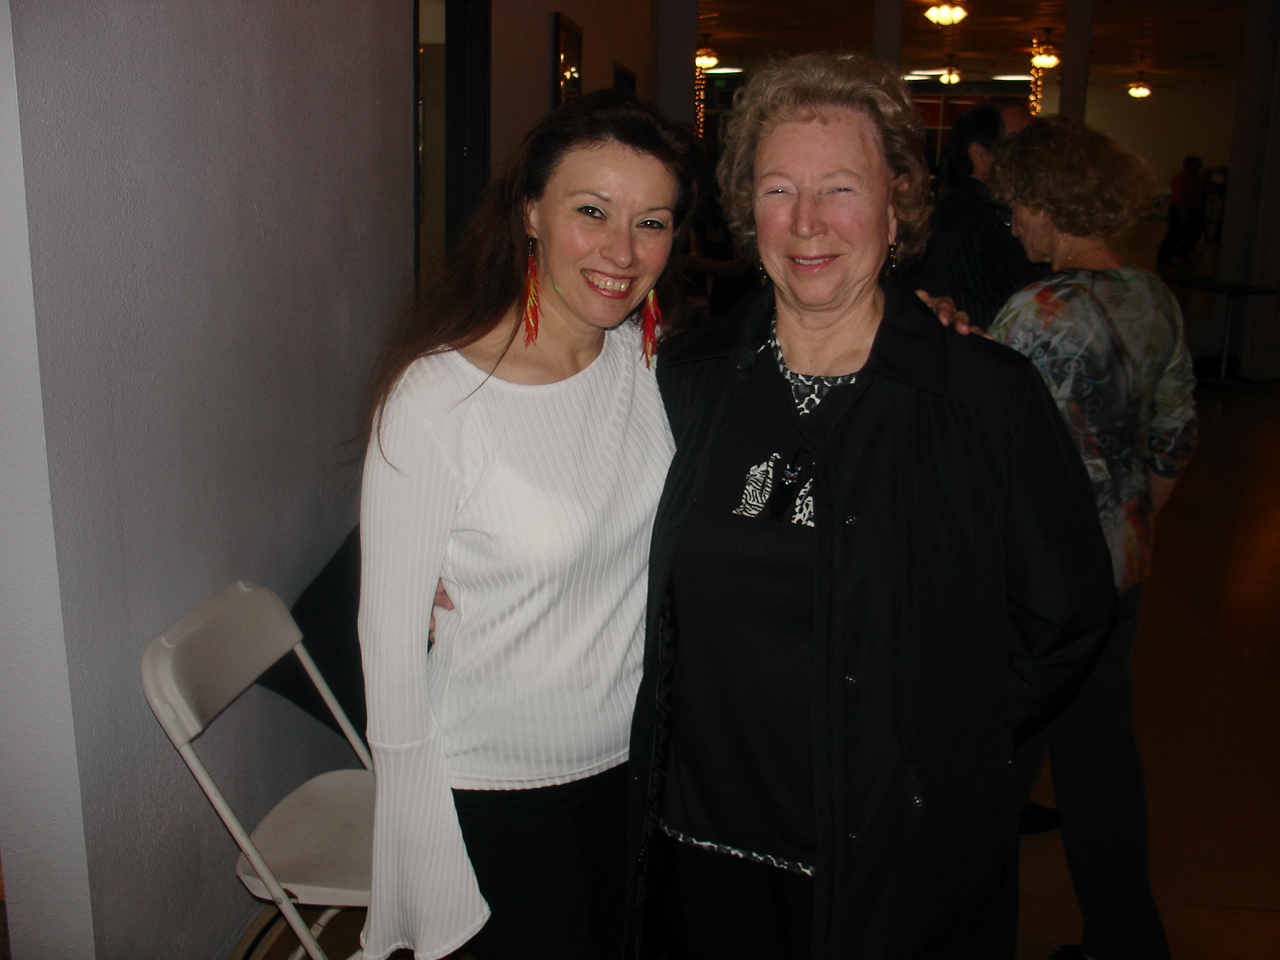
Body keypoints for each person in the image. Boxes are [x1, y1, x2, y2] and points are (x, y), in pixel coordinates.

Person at [626, 53, 1117, 960]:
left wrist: (939, 746)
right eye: (779, 189)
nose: (808, 221)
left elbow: (1067, 613)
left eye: (841, 188)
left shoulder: (982, 398)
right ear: (748, 211)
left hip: (895, 863)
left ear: (896, 209)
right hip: (703, 853)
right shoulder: (686, 382)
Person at [357, 89, 705, 960]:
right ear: (530, 214)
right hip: (495, 790)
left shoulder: (650, 361)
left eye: (652, 222)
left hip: (637, 767)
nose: (622, 251)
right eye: (592, 211)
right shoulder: (439, 399)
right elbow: (388, 654)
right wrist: (421, 851)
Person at [988, 115, 1197, 960]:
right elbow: (1173, 442)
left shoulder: (1036, 312)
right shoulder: (1154, 299)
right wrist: (1123, 529)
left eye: (1016, 204)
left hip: (1037, 590)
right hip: (1121, 575)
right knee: (1101, 759)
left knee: (992, 763)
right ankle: (1128, 941)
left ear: (1049, 201)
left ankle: (963, 932)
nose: (1011, 221)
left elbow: (986, 454)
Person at [907, 100, 1046, 330]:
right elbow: (1037, 307)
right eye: (1015, 141)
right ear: (980, 154)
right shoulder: (990, 222)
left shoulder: (949, 210)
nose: (1030, 153)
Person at [1156, 154, 1205, 266]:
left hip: (1191, 209)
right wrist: (1183, 213)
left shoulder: (1195, 178)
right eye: (1197, 164)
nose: (1199, 166)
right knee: (1174, 234)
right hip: (1179, 209)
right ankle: (1164, 258)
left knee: (1192, 233)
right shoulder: (1180, 178)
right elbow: (1178, 197)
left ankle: (1179, 253)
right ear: (1190, 165)